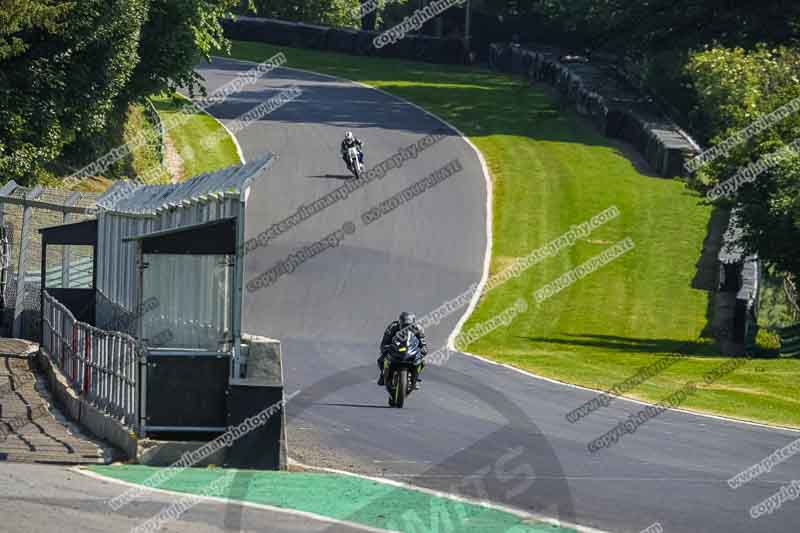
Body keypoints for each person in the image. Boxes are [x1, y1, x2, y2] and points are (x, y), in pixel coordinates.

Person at [377, 311, 428, 388]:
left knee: (422, 362)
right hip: (394, 347)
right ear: (400, 322)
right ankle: (382, 374)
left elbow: (422, 342)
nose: (406, 328)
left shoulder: (418, 328)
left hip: (410, 348)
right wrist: (385, 347)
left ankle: (415, 378)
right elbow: (385, 340)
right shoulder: (392, 327)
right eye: (404, 325)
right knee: (381, 360)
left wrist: (424, 348)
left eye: (408, 326)